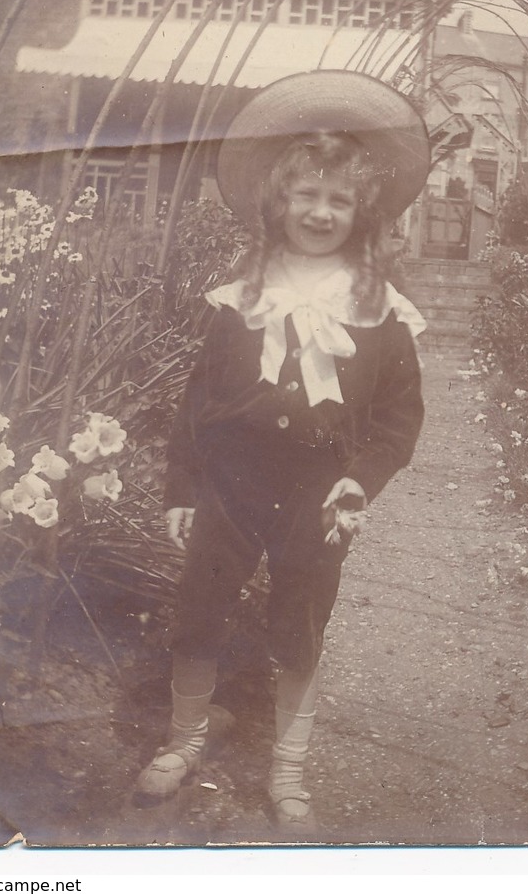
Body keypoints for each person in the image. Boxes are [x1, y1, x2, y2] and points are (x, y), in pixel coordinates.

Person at [133, 70, 430, 833]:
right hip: (231, 481)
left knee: (300, 619)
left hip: (317, 486)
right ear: (280, 201)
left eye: (338, 199)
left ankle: (287, 769)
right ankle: (184, 739)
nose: (322, 212)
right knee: (201, 607)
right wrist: (181, 487)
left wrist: (360, 481)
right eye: (308, 195)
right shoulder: (245, 296)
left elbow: (400, 416)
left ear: (362, 210)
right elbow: (199, 401)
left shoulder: (379, 309)